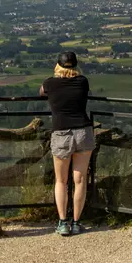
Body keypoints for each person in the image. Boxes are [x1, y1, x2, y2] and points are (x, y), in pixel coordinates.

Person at [41, 51, 95, 236]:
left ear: (58, 66)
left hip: (61, 132)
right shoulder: (83, 81)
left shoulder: (49, 83)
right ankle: (77, 222)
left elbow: (42, 91)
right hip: (83, 131)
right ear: (75, 65)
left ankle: (63, 222)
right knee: (79, 180)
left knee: (61, 180)